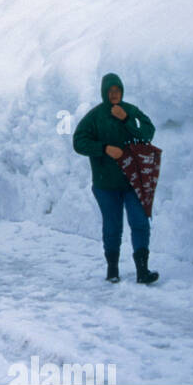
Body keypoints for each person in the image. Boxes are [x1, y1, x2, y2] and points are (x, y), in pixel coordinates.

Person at [72, 72, 159, 284]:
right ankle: (112, 269)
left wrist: (127, 119)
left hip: (133, 181)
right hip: (106, 184)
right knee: (113, 226)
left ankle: (142, 270)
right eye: (110, 91)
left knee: (140, 222)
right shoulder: (95, 116)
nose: (114, 94)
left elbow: (147, 132)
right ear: (104, 93)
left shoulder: (130, 110)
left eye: (117, 90)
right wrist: (103, 148)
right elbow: (78, 142)